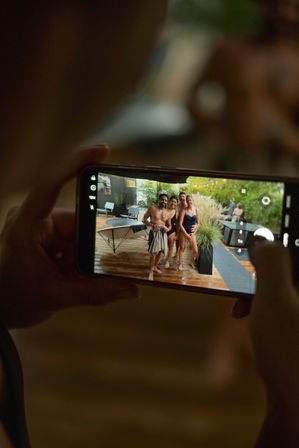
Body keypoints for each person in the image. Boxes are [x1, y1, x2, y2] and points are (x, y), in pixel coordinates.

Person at [0, 2, 298, 447]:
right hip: (232, 159)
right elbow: (196, 100)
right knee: (231, 266)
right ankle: (229, 344)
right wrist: (290, 414)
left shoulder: (288, 62)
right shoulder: (229, 51)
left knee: (250, 269)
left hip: (274, 165)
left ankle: (247, 340)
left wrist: (4, 295)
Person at [142, 194, 171, 281]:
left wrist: (167, 229)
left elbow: (169, 226)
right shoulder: (152, 208)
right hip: (154, 233)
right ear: (159, 200)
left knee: (160, 252)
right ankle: (151, 272)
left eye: (165, 200)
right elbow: (144, 219)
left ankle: (154, 267)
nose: (164, 202)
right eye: (162, 200)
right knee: (152, 254)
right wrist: (152, 225)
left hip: (162, 234)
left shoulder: (167, 212)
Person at [178, 194, 200, 271]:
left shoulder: (196, 210)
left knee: (195, 250)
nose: (189, 201)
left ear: (193, 200)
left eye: (190, 200)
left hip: (192, 233)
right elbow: (180, 224)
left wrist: (194, 232)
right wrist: (186, 234)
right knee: (182, 248)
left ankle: (191, 261)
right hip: (183, 232)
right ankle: (180, 263)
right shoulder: (184, 210)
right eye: (187, 200)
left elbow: (198, 223)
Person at [165, 195, 178, 269]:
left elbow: (177, 225)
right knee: (162, 247)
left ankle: (167, 261)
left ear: (176, 204)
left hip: (172, 231)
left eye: (175, 202)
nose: (173, 203)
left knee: (170, 247)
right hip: (163, 231)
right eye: (172, 201)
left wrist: (176, 234)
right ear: (169, 201)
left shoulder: (176, 213)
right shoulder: (164, 210)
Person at [174, 191, 187, 258]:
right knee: (177, 239)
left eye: (183, 196)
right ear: (179, 197)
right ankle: (176, 251)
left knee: (183, 242)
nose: (182, 198)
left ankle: (181, 252)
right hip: (178, 225)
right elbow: (176, 215)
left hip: (186, 225)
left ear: (185, 197)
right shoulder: (178, 206)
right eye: (180, 196)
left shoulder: (187, 205)